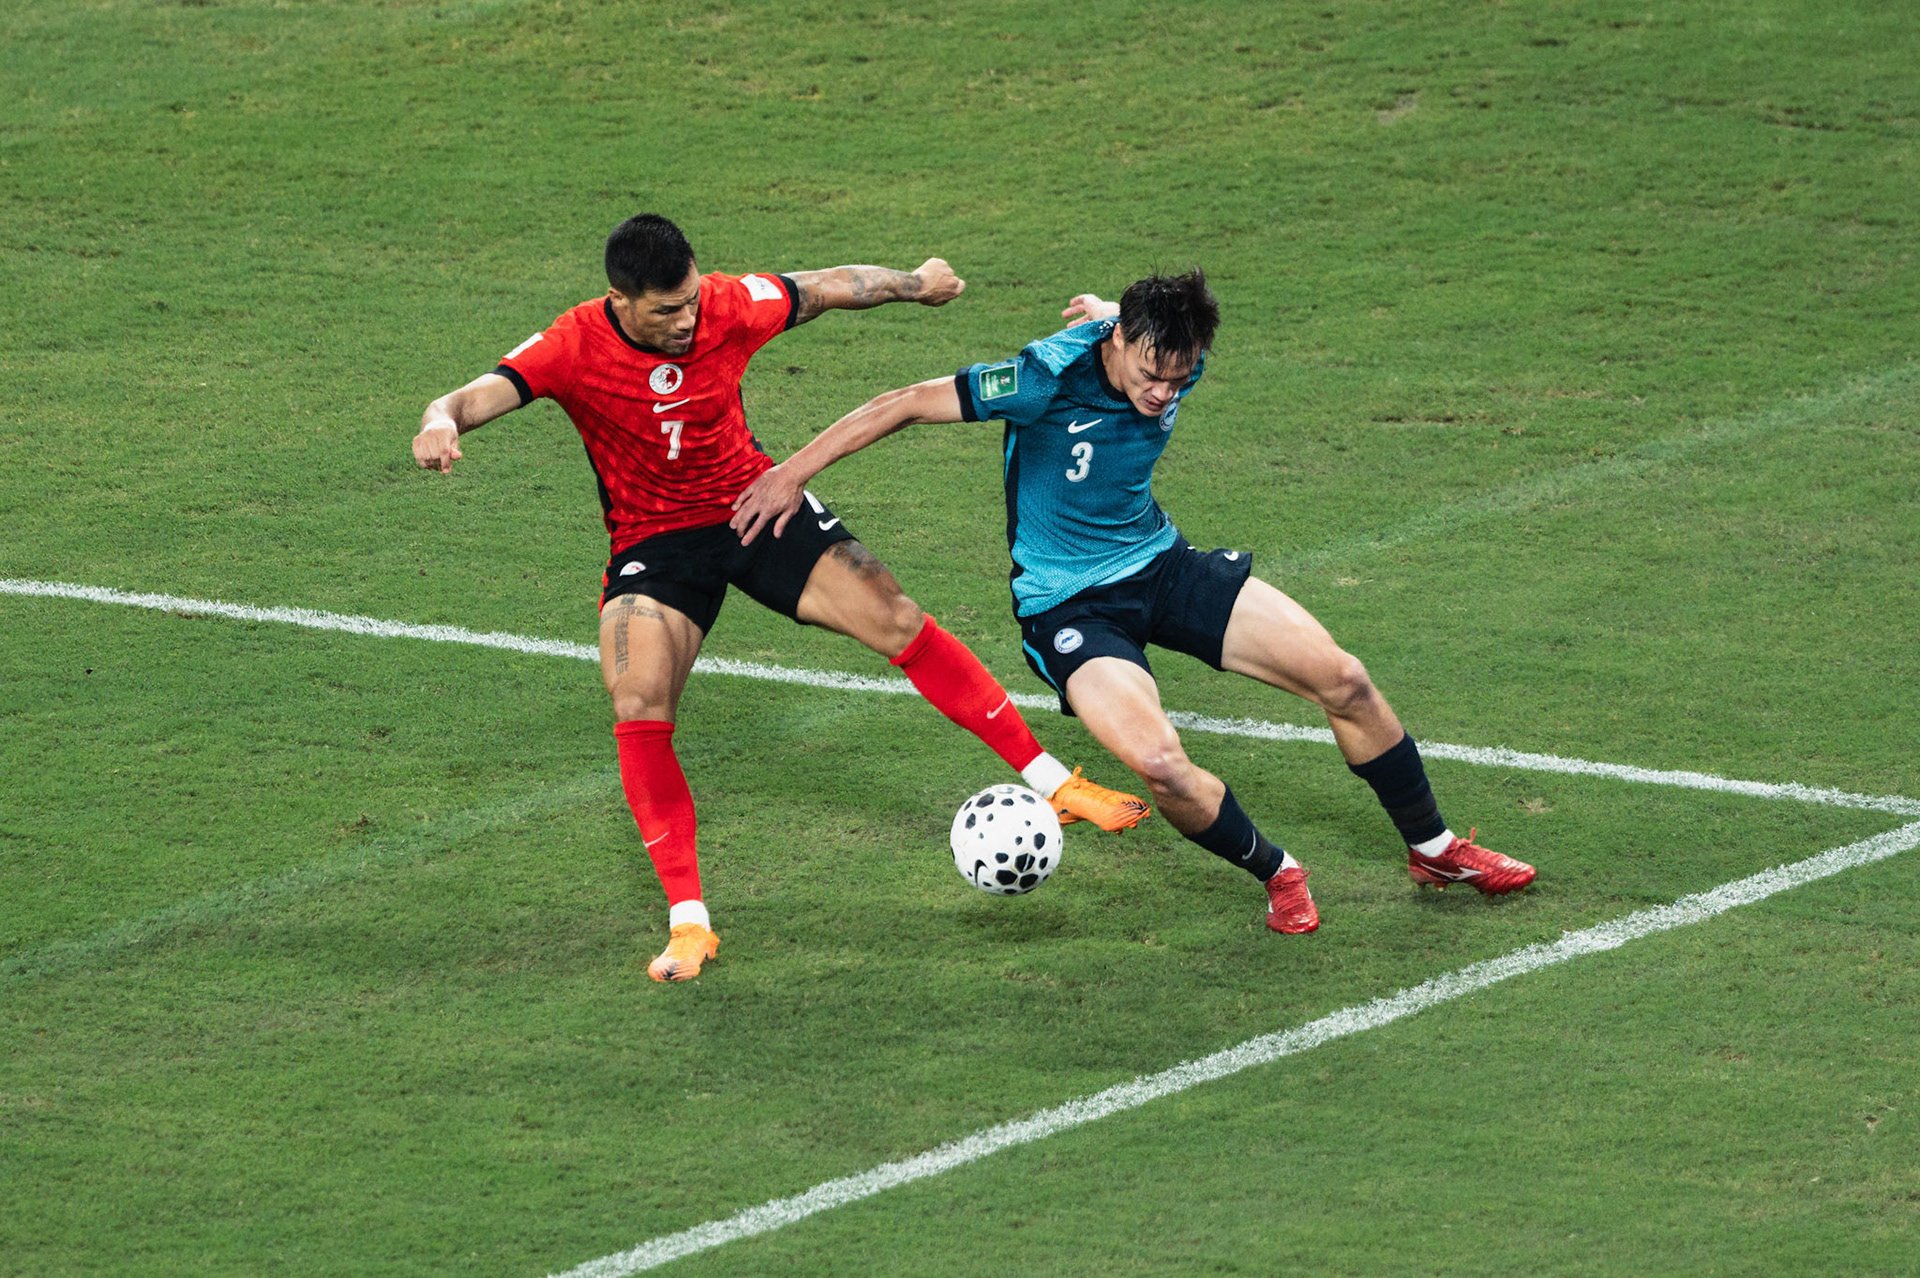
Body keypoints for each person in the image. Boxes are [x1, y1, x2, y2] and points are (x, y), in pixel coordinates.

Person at [411, 214, 1148, 982]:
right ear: (620, 302)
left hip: (752, 504)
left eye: (691, 300)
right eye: (666, 311)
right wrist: (438, 422)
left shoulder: (726, 304)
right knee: (638, 702)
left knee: (895, 617)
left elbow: (827, 287)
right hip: (653, 545)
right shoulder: (571, 345)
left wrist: (916, 284)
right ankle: (690, 925)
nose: (687, 319)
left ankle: (1057, 784)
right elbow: (470, 398)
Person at [730, 268, 1536, 935]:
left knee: (1346, 680)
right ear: (1115, 346)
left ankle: (1434, 849)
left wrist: (1120, 313)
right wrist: (790, 473)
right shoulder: (1044, 376)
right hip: (1070, 608)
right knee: (1160, 764)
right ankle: (1278, 871)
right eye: (1150, 374)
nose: (1163, 392)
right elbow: (903, 401)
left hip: (1163, 566)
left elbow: (1156, 334)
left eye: (1177, 378)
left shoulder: (1173, 347)